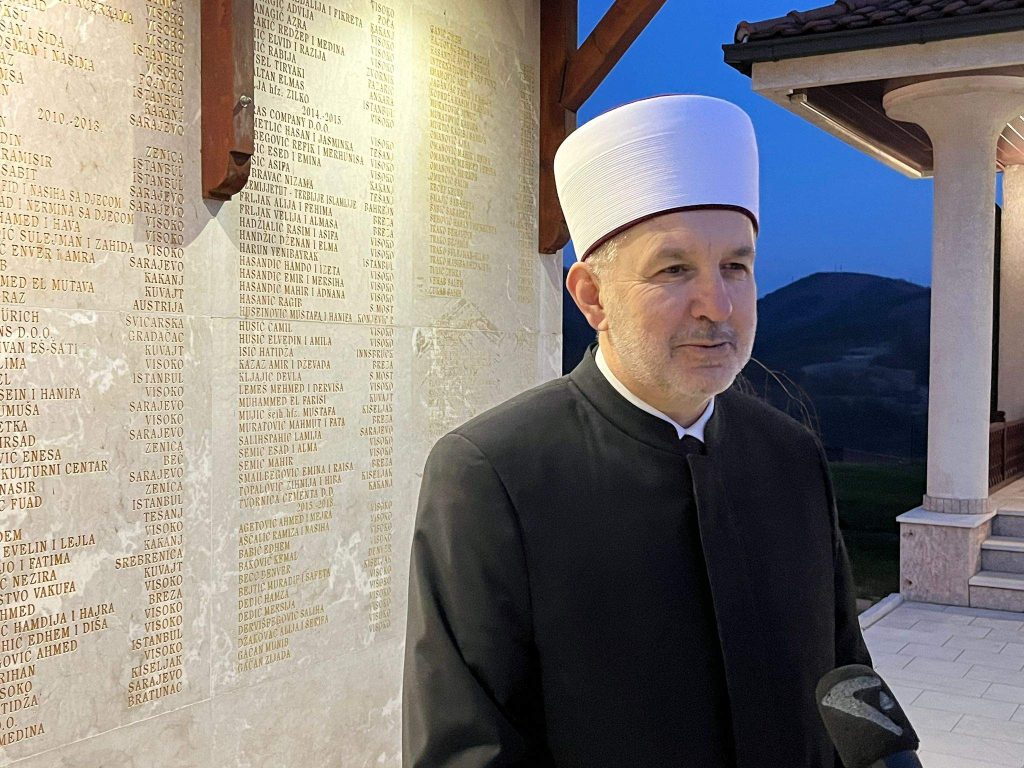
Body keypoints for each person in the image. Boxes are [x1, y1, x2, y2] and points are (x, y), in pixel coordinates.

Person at [403, 94, 871, 767]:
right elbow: (466, 750)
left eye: (736, 266)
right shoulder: (491, 476)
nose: (718, 305)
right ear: (592, 296)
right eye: (674, 270)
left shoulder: (789, 454)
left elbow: (846, 670)